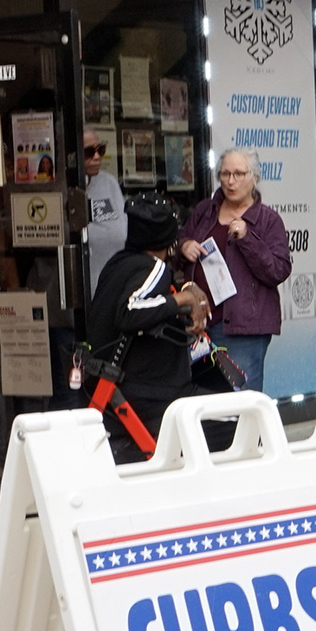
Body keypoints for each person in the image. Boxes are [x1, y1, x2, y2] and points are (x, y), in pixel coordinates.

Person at [86, 195, 222, 463]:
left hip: (117, 383)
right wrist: (180, 300)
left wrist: (183, 292)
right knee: (237, 417)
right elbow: (130, 311)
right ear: (170, 241)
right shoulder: (154, 267)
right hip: (148, 391)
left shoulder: (117, 263)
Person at [178, 148, 292, 393]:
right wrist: (184, 246)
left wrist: (248, 238)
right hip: (199, 325)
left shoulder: (268, 220)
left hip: (243, 331)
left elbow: (278, 270)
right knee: (203, 401)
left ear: (254, 177)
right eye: (225, 174)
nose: (231, 181)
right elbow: (180, 241)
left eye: (239, 174)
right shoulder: (204, 211)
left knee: (242, 405)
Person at [83, 127, 126, 297]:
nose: (96, 157)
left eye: (100, 150)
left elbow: (124, 233)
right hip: (77, 299)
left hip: (111, 293)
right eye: (88, 152)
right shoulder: (63, 190)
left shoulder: (109, 183)